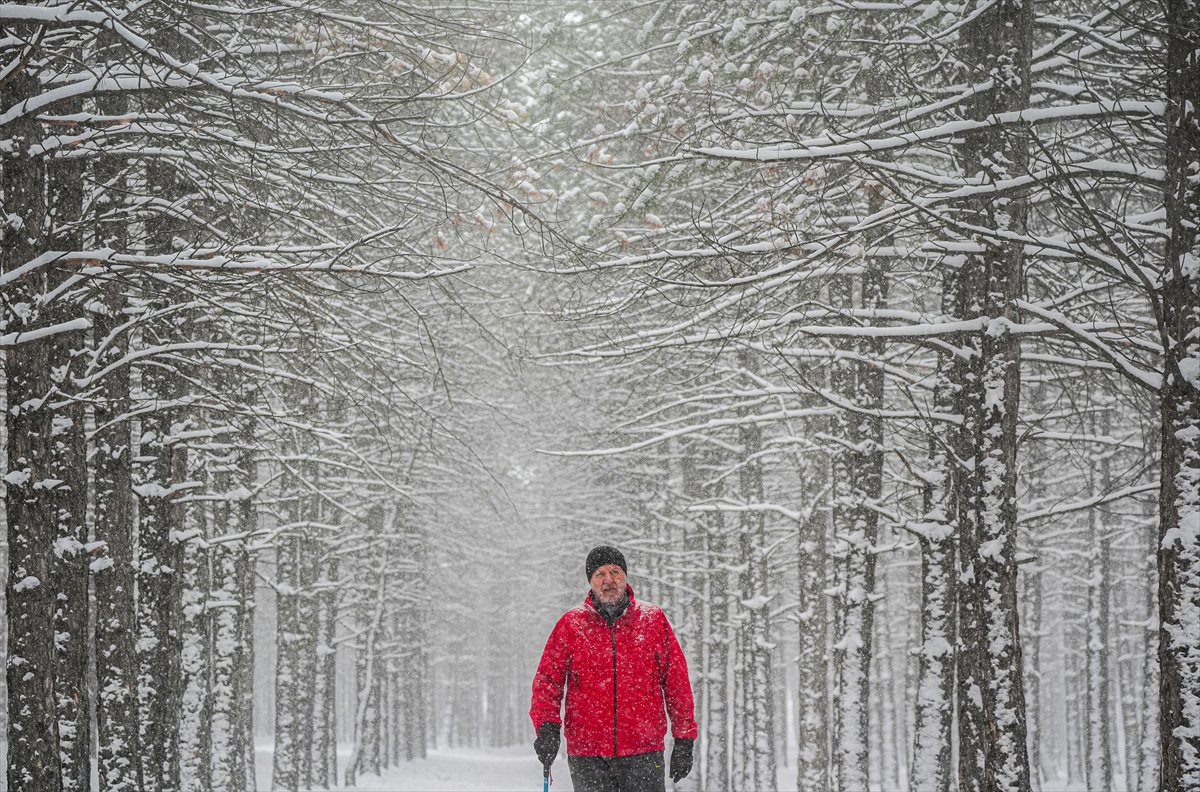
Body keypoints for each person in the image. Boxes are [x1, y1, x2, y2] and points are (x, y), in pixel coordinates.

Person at [530, 546, 697, 792]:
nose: (608, 580)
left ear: (625, 576)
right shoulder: (571, 625)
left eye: (615, 571)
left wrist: (684, 738)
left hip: (644, 750)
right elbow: (547, 681)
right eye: (599, 574)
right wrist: (547, 727)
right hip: (588, 753)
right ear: (590, 581)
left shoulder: (653, 620)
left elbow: (676, 682)